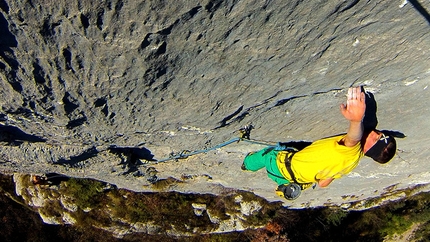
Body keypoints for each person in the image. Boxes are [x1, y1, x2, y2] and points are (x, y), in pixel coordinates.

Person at [242, 86, 397, 200]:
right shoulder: (352, 163)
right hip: (297, 181)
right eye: (381, 134)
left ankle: (247, 165)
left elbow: (353, 138)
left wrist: (356, 120)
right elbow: (323, 183)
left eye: (376, 139)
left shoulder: (352, 150)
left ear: (371, 150)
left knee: (265, 155)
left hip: (279, 164)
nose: (376, 133)